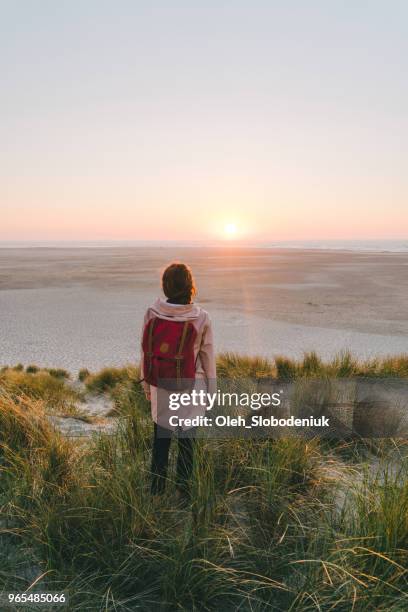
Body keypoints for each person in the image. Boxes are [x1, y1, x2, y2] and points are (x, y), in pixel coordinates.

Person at [140, 262, 216, 497]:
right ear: (190, 287)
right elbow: (207, 356)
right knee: (187, 444)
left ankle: (156, 492)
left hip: (160, 384)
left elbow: (145, 351)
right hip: (190, 388)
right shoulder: (201, 317)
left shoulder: (152, 313)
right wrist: (211, 391)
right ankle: (183, 494)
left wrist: (145, 383)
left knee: (160, 443)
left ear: (166, 286)